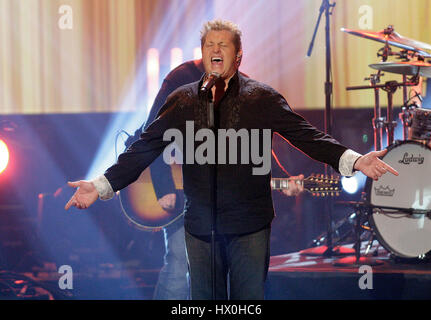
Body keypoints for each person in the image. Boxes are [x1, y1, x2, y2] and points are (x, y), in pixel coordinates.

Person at [65, 19, 398, 300]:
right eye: (210, 44)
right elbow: (146, 145)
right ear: (202, 53)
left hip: (249, 226)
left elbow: (305, 135)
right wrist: (101, 185)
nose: (216, 50)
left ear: (238, 56)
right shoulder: (182, 98)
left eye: (223, 45)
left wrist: (354, 160)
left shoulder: (261, 97)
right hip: (199, 225)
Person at [125, 58, 304, 299]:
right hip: (175, 183)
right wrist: (164, 186)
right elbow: (152, 131)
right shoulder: (181, 77)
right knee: (179, 261)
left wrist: (283, 179)